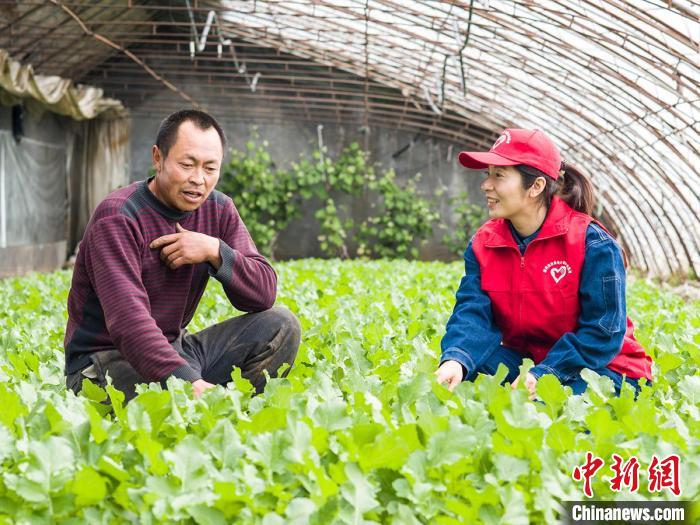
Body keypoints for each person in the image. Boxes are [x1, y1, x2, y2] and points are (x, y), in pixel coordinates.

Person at [64, 109, 300, 402]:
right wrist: (188, 382)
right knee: (169, 390)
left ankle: (217, 406)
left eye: (210, 168)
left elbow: (262, 294)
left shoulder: (219, 209)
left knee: (281, 326)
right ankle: (208, 402)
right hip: (103, 364)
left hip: (176, 349)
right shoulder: (118, 216)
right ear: (158, 158)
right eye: (187, 164)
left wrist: (215, 251)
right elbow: (128, 323)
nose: (198, 179)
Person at [435, 129, 652, 399]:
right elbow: (473, 313)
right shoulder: (484, 243)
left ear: (536, 187)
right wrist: (457, 360)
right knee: (462, 377)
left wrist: (546, 374)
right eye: (487, 174)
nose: (486, 185)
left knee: (549, 410)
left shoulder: (593, 244)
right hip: (531, 362)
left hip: (603, 368)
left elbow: (602, 332)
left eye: (498, 175)